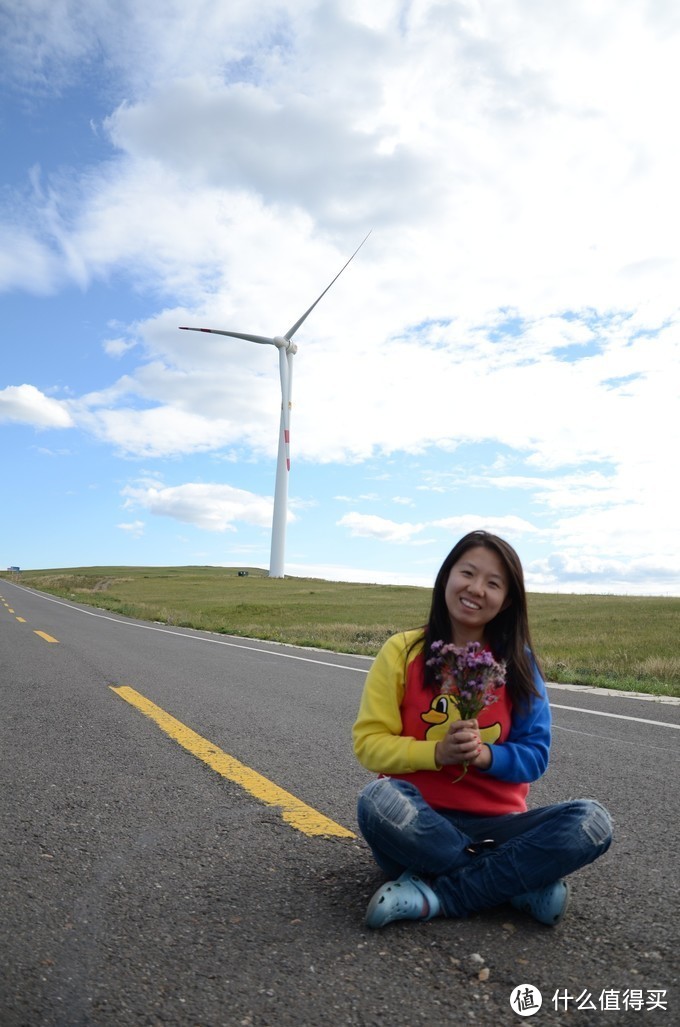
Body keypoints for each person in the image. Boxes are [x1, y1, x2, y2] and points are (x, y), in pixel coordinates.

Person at [353, 530, 613, 929]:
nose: (476, 589)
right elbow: (369, 745)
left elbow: (535, 757)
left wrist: (485, 755)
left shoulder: (519, 664)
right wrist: (437, 753)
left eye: (493, 583)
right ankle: (514, 884)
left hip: (500, 827)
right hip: (420, 822)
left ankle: (439, 895)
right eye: (468, 573)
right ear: (447, 576)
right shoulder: (402, 652)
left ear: (507, 599)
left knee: (592, 823)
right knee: (377, 800)